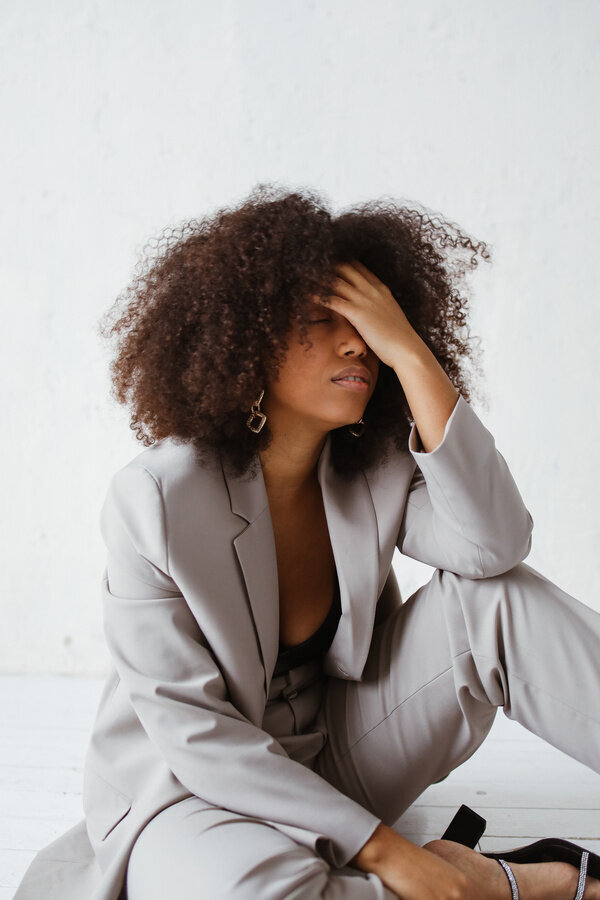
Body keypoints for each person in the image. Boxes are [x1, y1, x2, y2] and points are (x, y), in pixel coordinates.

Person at [14, 184, 600, 900]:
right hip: (195, 796)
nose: (360, 341)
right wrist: (383, 848)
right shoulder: (158, 500)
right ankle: (499, 885)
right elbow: (197, 736)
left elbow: (496, 545)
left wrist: (414, 357)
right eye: (326, 318)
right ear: (248, 335)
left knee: (496, 602)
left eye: (374, 323)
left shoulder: (375, 466)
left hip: (333, 758)